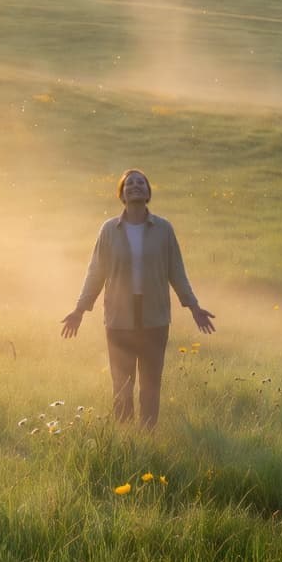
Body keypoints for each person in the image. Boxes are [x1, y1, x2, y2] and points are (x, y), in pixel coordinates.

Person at [61, 169, 215, 428]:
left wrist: (194, 306)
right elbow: (95, 272)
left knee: (151, 385)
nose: (134, 186)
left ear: (148, 192)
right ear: (122, 193)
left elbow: (176, 271)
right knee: (121, 385)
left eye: (140, 182)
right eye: (129, 183)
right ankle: (125, 438)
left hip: (154, 317)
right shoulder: (109, 230)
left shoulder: (163, 229)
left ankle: (147, 437)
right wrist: (79, 310)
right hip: (119, 318)